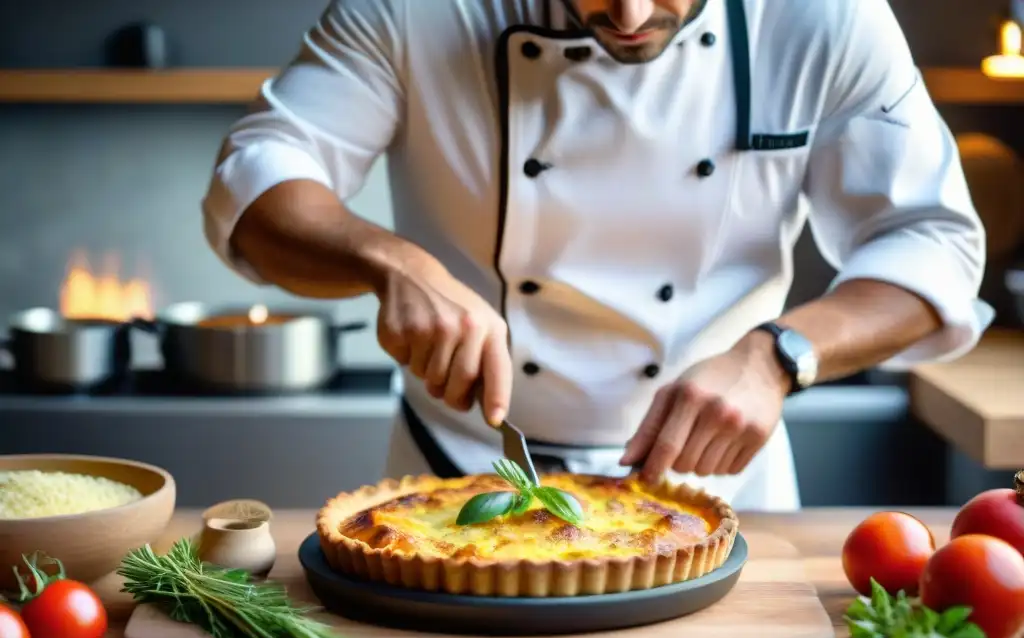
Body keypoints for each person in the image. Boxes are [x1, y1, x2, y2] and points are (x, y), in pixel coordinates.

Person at [202, 0, 992, 511]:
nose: (631, 13)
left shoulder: (826, 18)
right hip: (456, 477)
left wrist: (778, 355)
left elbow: (935, 245)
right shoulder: (412, 12)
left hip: (720, 487)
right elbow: (259, 176)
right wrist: (390, 262)